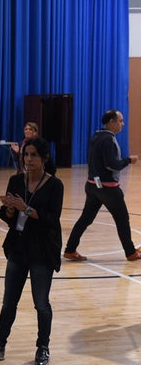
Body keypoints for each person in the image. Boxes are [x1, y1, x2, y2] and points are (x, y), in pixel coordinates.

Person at [0, 137, 63, 365]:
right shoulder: (15, 180)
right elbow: (6, 216)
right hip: (18, 248)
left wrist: (27, 209)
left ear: (44, 158)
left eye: (34, 155)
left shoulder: (55, 185)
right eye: (26, 155)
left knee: (41, 303)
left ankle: (43, 347)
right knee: (8, 302)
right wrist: (11, 210)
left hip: (42, 250)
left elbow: (52, 220)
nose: (29, 159)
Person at [64, 109, 141, 261]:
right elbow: (112, 164)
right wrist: (128, 160)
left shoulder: (97, 135)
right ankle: (131, 252)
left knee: (85, 219)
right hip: (108, 189)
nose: (122, 124)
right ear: (111, 122)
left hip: (92, 186)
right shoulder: (108, 140)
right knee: (122, 219)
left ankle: (70, 249)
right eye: (120, 121)